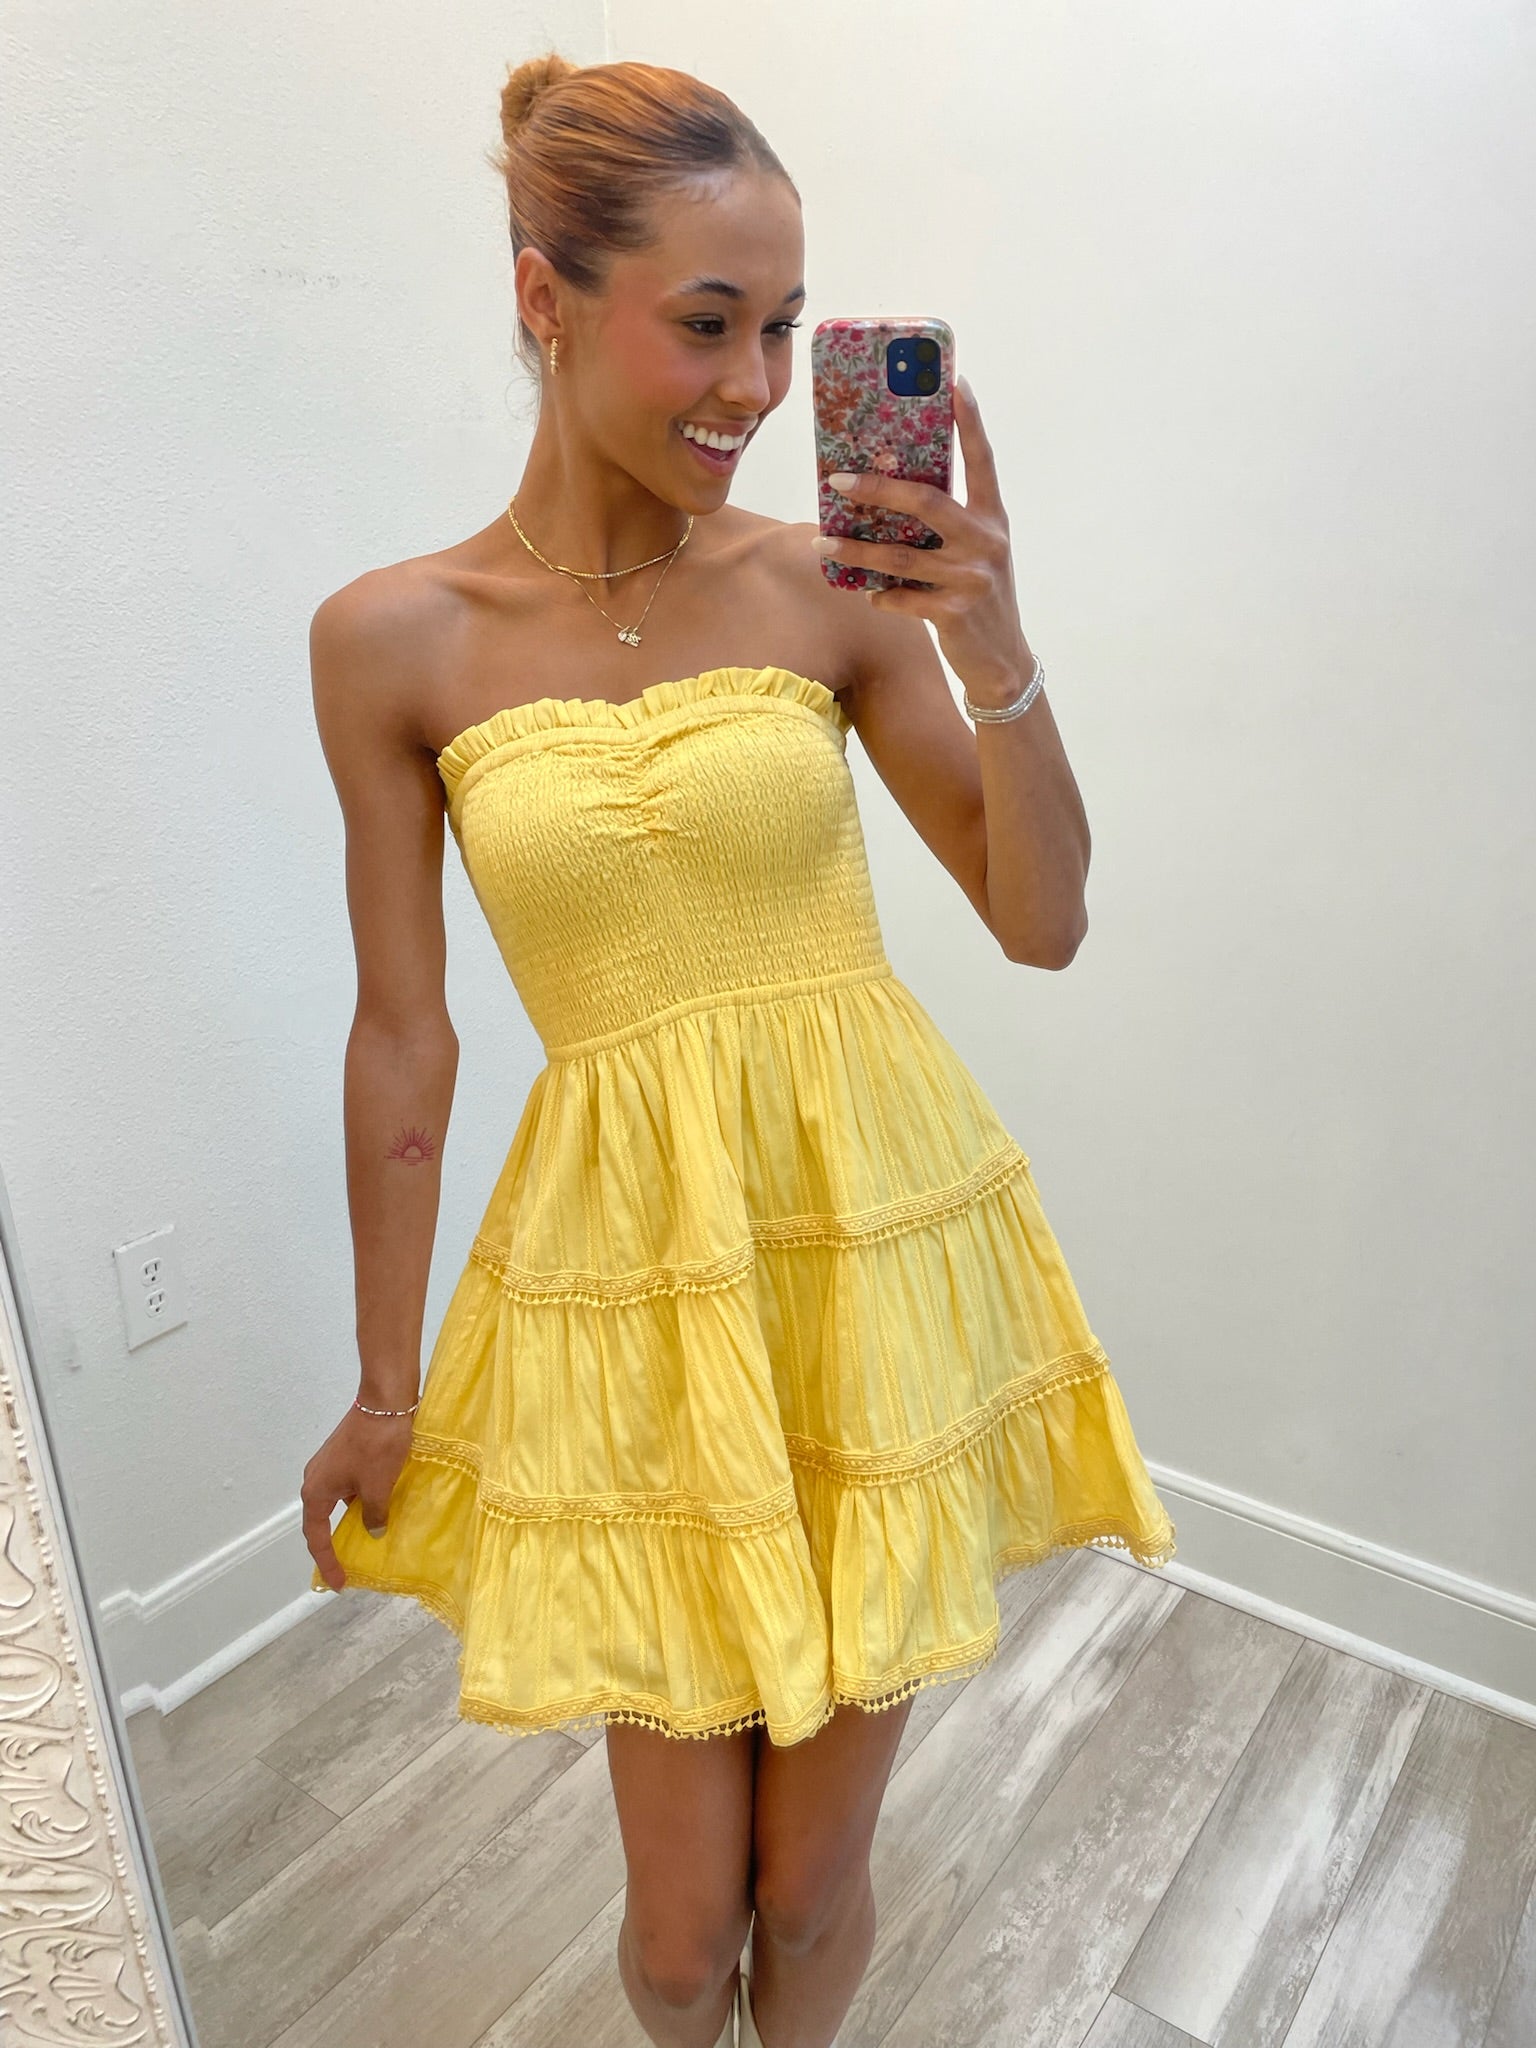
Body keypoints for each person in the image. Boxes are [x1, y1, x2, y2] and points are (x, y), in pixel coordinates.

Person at [299, 49, 1175, 2048]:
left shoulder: (825, 586)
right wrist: (382, 1378)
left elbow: (1042, 922)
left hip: (865, 1256)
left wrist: (996, 645)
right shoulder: (392, 640)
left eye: (786, 328)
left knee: (813, 1885)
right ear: (544, 298)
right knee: (683, 1936)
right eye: (708, 323)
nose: (760, 385)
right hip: (640, 1290)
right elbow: (404, 1033)